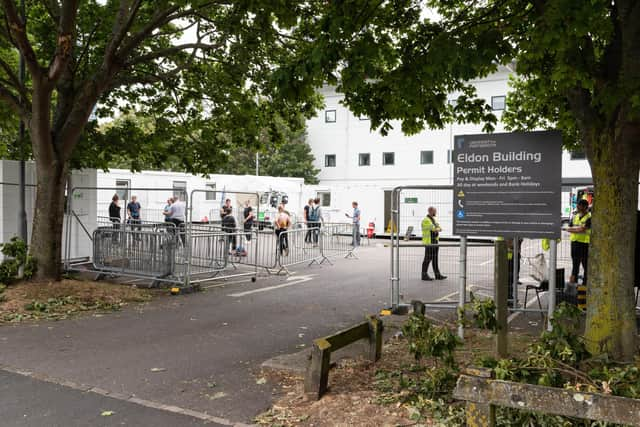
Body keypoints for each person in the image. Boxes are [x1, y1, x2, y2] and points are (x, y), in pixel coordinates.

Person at [567, 199, 591, 285]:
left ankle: (585, 284)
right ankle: (574, 285)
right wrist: (576, 230)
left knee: (586, 265)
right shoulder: (575, 216)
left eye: (579, 205)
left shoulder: (589, 217)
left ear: (585, 207)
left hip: (585, 244)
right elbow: (569, 228)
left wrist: (575, 229)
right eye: (578, 205)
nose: (577, 207)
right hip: (575, 243)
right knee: (575, 265)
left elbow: (582, 229)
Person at [421, 207, 446, 280]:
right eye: (435, 211)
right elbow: (434, 228)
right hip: (429, 242)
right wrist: (436, 229)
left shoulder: (433, 220)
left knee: (435, 259)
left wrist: (437, 229)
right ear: (431, 211)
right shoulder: (426, 220)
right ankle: (424, 275)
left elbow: (439, 228)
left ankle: (437, 275)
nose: (436, 212)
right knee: (427, 259)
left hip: (435, 242)